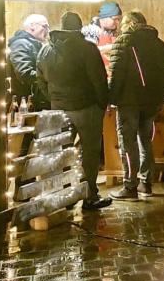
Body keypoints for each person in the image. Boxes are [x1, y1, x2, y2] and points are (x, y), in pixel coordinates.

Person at [37, 12, 112, 210]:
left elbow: (40, 81)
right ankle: (89, 196)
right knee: (89, 153)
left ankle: (64, 197)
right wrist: (102, 104)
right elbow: (99, 80)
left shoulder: (45, 50)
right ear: (79, 27)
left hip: (58, 110)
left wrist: (54, 99)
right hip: (86, 107)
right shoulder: (87, 49)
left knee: (61, 154)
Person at [108, 11, 164, 200]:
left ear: (130, 24)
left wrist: (111, 98)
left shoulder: (124, 41)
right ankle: (146, 183)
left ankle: (130, 186)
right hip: (151, 102)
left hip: (129, 101)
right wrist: (161, 99)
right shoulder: (160, 44)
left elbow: (116, 74)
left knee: (128, 143)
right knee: (145, 142)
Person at [9, 14, 50, 109]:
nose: (48, 31)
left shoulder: (34, 44)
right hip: (26, 104)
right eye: (45, 26)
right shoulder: (21, 44)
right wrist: (48, 77)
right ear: (32, 26)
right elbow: (24, 73)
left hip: (34, 102)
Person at [82, 1, 123, 69]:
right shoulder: (89, 32)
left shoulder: (113, 31)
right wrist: (109, 47)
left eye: (119, 19)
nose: (118, 22)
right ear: (104, 17)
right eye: (115, 19)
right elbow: (88, 53)